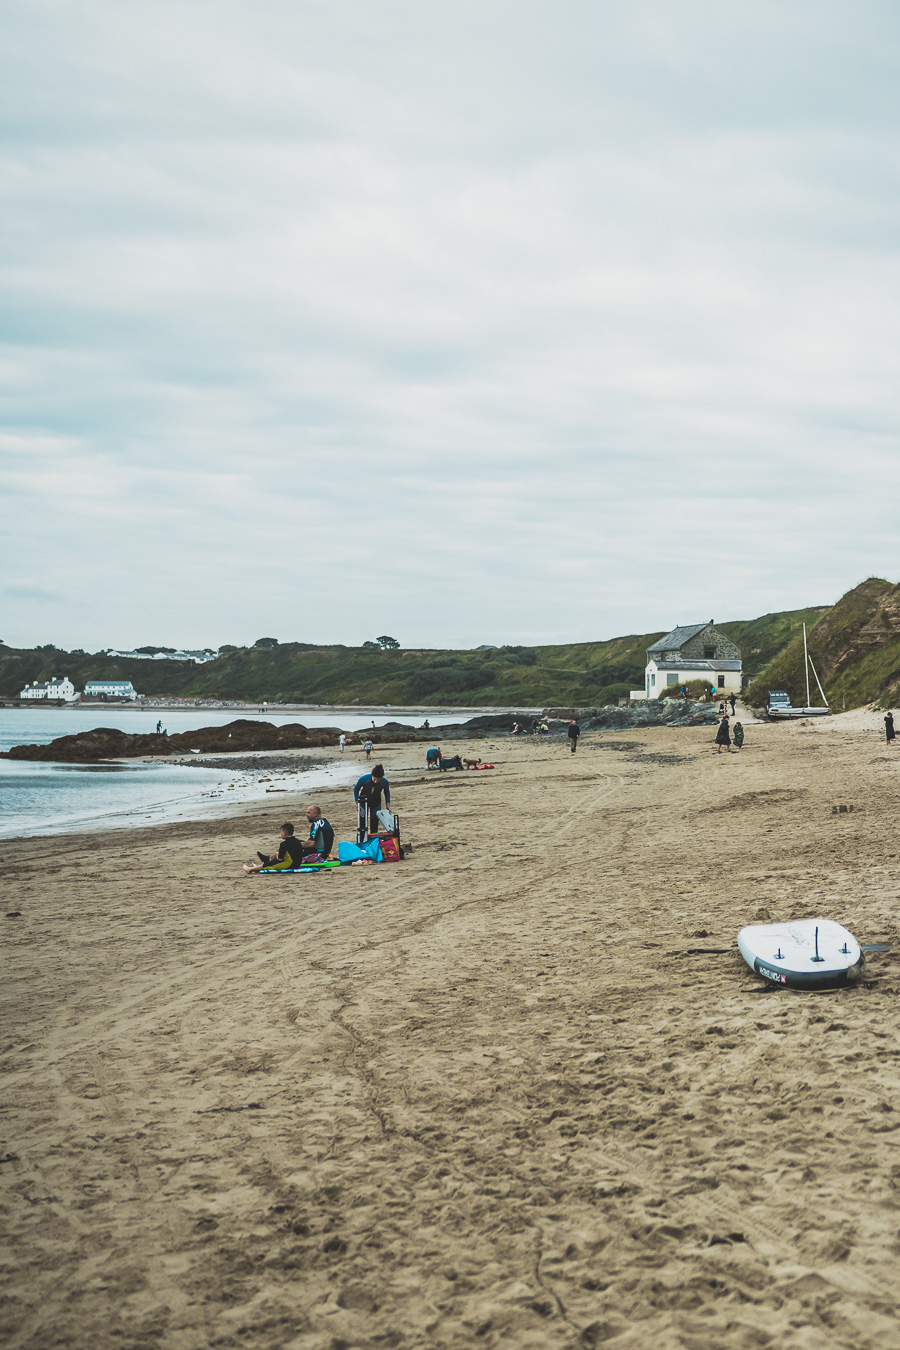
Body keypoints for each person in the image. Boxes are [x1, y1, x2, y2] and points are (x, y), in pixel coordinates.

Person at [354, 763, 391, 837]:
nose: (376, 781)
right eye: (374, 779)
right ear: (372, 776)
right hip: (363, 803)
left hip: (376, 803)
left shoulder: (385, 782)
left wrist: (388, 805)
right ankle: (360, 842)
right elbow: (356, 789)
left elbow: (387, 792)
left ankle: (372, 843)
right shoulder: (364, 779)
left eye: (378, 780)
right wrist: (357, 802)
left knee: (374, 825)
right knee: (362, 825)